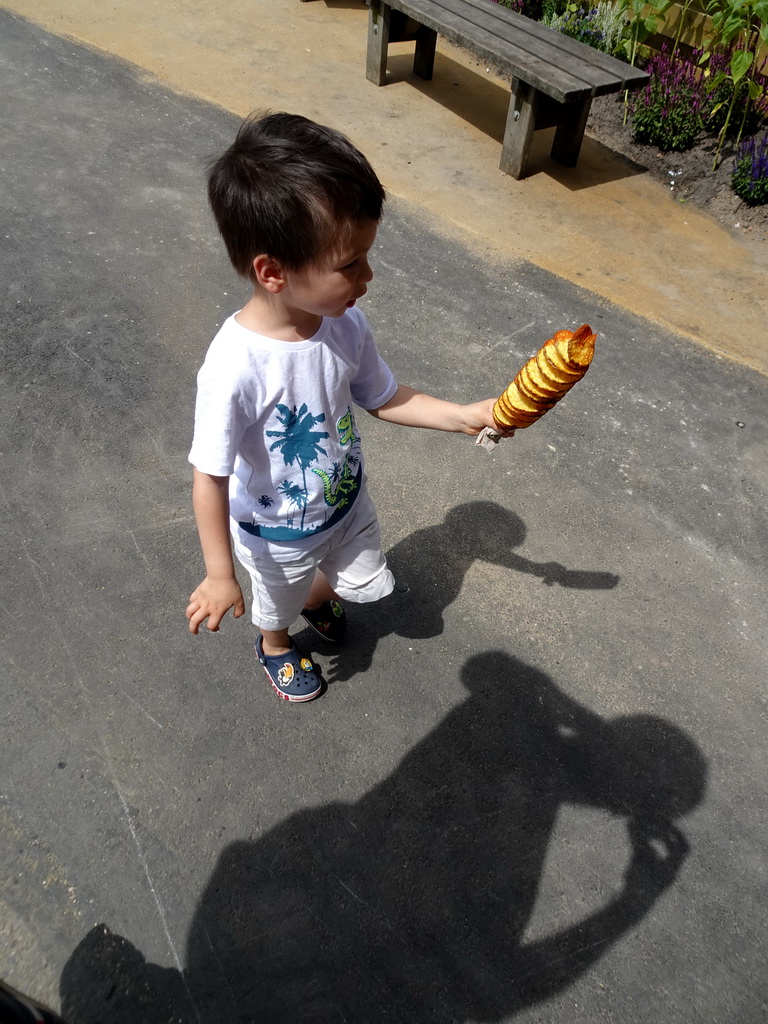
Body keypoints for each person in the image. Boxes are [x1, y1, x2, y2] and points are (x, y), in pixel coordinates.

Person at [186, 111, 508, 702]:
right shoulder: (235, 367)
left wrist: (464, 415)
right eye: (349, 264)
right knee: (276, 601)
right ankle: (276, 643)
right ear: (273, 271)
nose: (369, 275)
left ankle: (315, 594)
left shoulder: (343, 324)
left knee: (343, 577)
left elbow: (383, 397)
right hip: (277, 531)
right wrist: (218, 573)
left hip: (344, 499)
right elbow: (209, 475)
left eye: (366, 255)